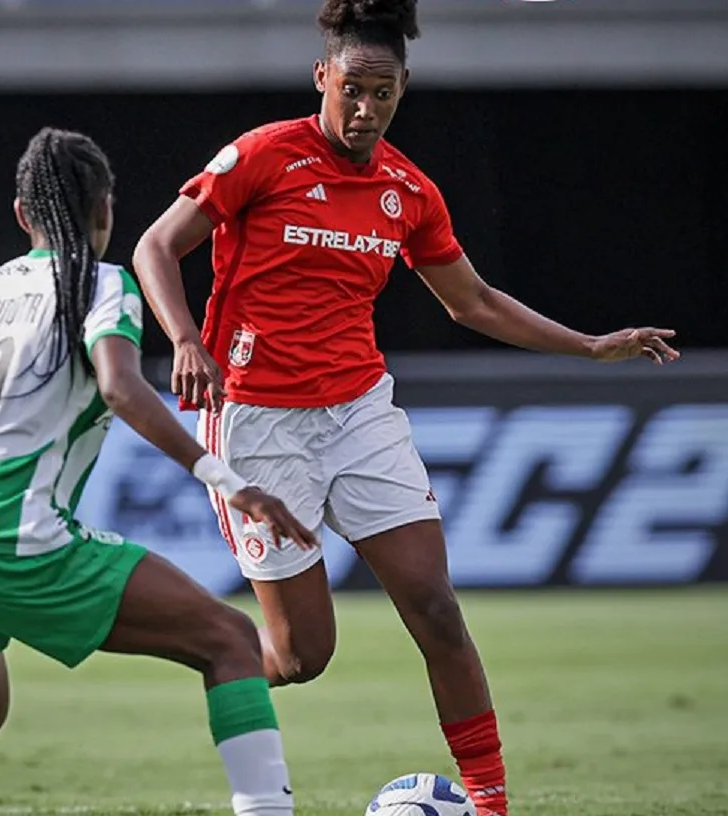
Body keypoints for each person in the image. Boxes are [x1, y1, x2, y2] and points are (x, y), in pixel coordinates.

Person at [131, 1, 682, 814]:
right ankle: (223, 656)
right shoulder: (261, 157)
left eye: (383, 94)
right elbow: (153, 246)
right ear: (322, 76)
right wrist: (183, 337)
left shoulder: (407, 189)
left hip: (360, 413)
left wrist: (592, 344)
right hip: (257, 420)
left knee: (435, 606)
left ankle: (492, 806)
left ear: (402, 89)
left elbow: (476, 302)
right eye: (352, 88)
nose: (364, 109)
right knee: (303, 655)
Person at [0, 127, 317, 816]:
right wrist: (229, 480)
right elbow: (121, 389)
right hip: (10, 541)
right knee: (233, 641)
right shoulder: (100, 284)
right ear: (105, 210)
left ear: (22, 215)